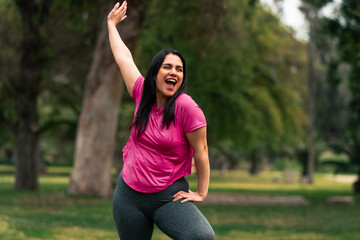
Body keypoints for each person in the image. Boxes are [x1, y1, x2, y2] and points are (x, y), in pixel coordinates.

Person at [108, 2, 215, 239]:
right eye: (167, 67)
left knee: (201, 237)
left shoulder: (186, 107)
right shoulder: (140, 93)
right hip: (128, 196)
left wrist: (201, 192)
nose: (174, 72)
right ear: (155, 73)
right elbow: (123, 57)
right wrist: (111, 25)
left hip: (168, 196)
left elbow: (202, 150)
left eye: (179, 69)